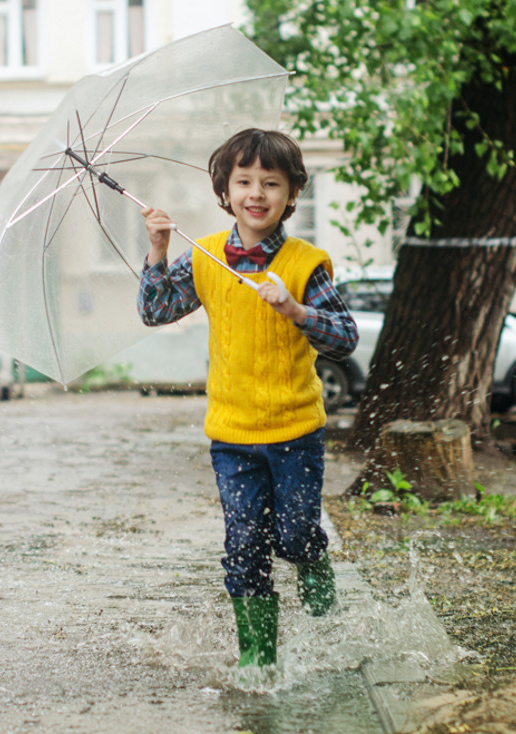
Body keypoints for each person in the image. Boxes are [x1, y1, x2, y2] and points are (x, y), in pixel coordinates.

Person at [137, 129, 358, 669]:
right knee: (244, 548)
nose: (256, 193)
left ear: (291, 194)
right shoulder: (208, 256)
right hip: (232, 437)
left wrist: (297, 311)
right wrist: (159, 251)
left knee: (297, 535)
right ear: (225, 190)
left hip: (295, 432)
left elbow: (345, 337)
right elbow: (156, 311)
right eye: (244, 182)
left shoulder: (306, 263)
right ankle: (259, 663)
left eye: (270, 183)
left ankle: (319, 588)